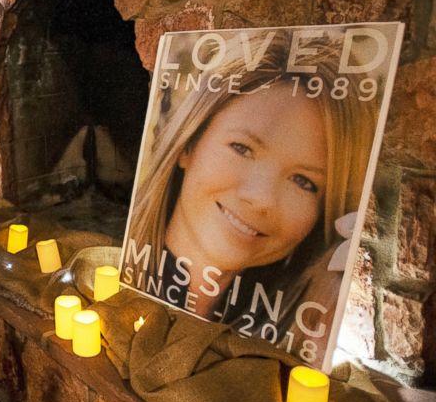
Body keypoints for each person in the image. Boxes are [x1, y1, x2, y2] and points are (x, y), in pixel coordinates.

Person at [123, 30, 379, 339]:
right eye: (242, 148)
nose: (261, 199)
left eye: (303, 181)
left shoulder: (293, 335)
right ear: (188, 144)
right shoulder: (123, 292)